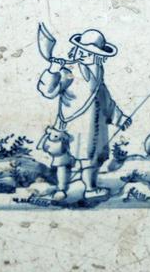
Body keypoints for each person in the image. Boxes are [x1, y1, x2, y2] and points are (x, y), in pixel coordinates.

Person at [37, 28, 131, 201]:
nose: (83, 55)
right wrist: (52, 70)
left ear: (98, 57)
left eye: (89, 53)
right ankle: (61, 189)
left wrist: (120, 118)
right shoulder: (68, 71)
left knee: (90, 159)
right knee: (63, 159)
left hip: (91, 127)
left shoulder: (98, 76)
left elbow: (106, 100)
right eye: (81, 51)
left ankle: (90, 189)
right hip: (68, 124)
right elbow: (48, 91)